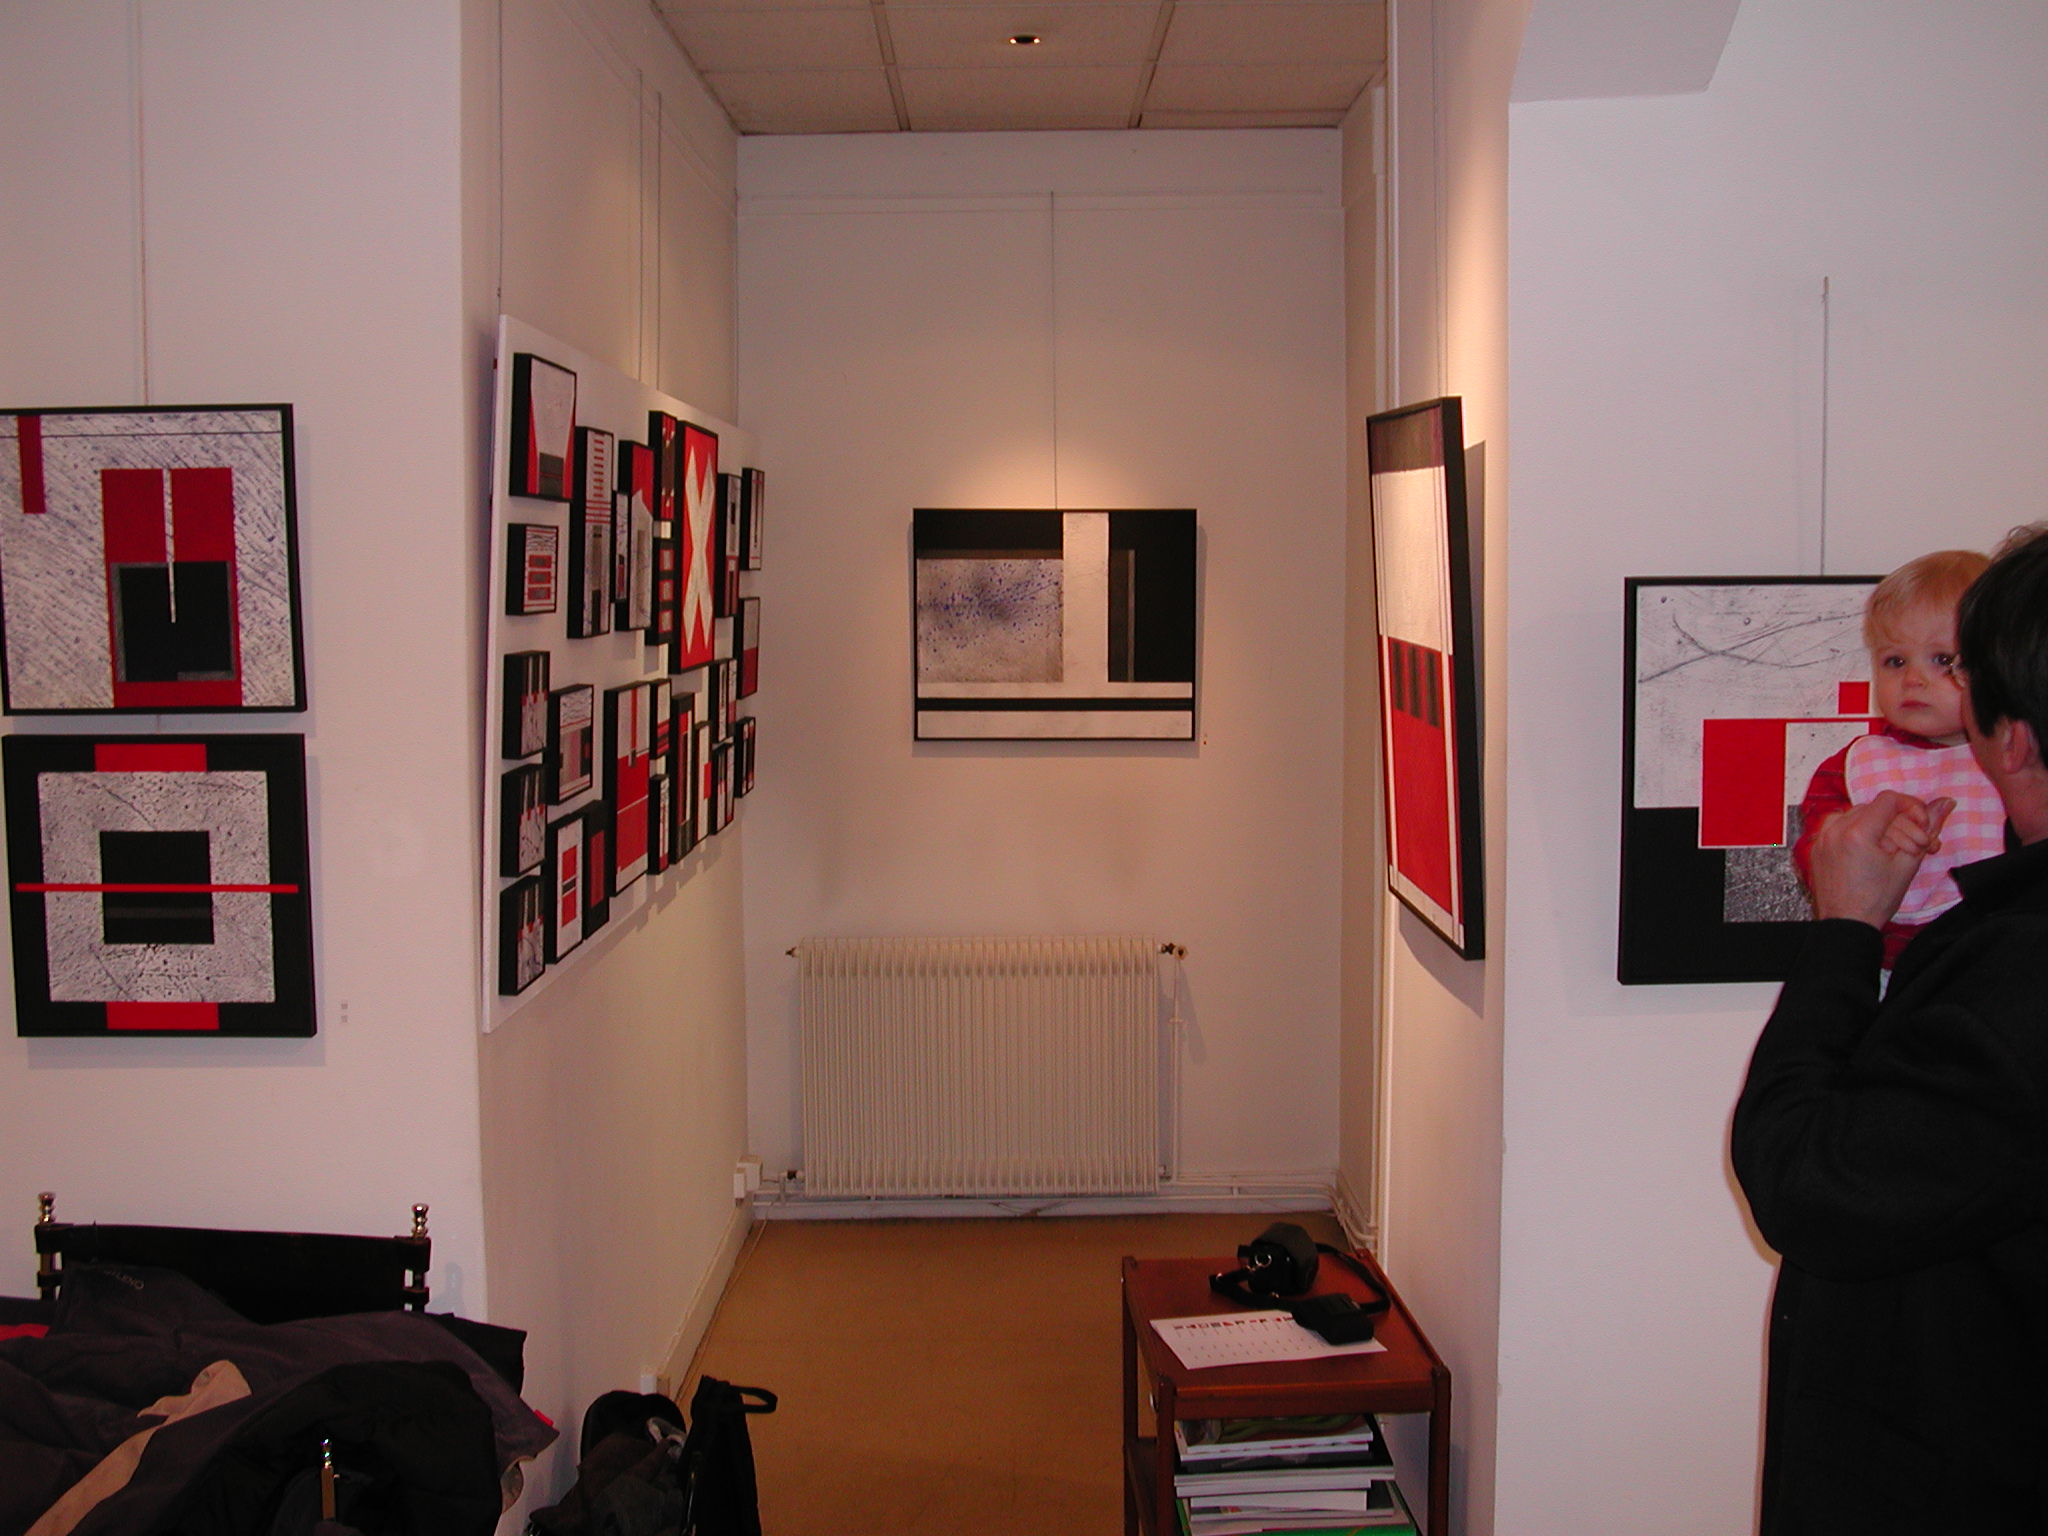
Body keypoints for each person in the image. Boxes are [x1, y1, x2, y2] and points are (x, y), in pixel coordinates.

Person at [1732, 523, 2048, 1534]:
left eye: (1955, 668)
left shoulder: (2014, 976)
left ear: (2008, 738)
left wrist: (1844, 930)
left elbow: (1804, 1182)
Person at [1792, 549, 2001, 970]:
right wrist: (1855, 836)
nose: (1912, 679)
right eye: (1895, 661)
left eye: (1942, 660)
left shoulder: (2018, 759)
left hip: (2001, 957)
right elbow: (1819, 859)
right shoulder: (1854, 765)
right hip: (1888, 967)